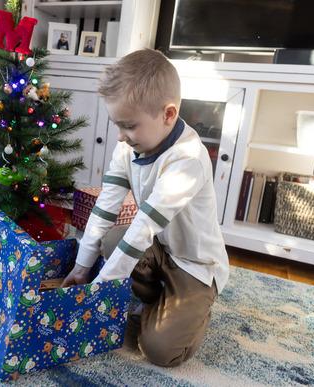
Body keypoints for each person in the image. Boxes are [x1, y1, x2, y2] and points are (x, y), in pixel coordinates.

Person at [61, 49, 229, 367]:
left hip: (195, 264)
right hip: (159, 250)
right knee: (111, 240)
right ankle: (157, 299)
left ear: (168, 114)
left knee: (160, 351)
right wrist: (83, 268)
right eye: (117, 125)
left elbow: (143, 228)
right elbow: (106, 208)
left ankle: (194, 308)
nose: (121, 136)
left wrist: (98, 292)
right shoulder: (129, 146)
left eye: (130, 126)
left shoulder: (188, 158)